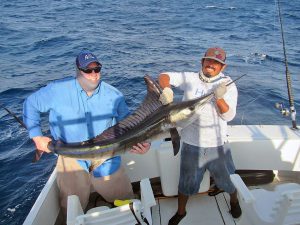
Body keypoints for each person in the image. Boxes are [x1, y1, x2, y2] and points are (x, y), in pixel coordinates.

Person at [23, 50, 152, 217]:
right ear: (78, 71)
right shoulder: (57, 90)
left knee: (125, 199)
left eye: (97, 69)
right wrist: (36, 136)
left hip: (106, 157)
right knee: (71, 207)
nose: (94, 74)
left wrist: (144, 143)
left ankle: (128, 216)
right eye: (88, 70)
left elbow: (130, 124)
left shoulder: (115, 95)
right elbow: (30, 104)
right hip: (71, 158)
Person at [158, 47, 242, 224]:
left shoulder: (228, 85)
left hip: (218, 145)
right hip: (190, 143)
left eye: (217, 62)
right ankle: (181, 212)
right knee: (186, 183)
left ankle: (234, 201)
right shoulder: (190, 78)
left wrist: (219, 98)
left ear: (223, 67)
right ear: (202, 61)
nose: (212, 64)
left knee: (228, 181)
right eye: (209, 60)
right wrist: (166, 89)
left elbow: (229, 116)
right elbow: (164, 75)